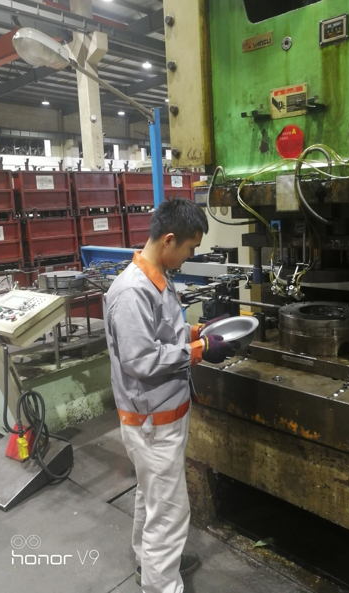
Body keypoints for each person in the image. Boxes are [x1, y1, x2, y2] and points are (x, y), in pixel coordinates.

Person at [104, 197, 235, 592]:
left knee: (153, 498)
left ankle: (150, 565)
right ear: (169, 239)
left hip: (162, 418)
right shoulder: (132, 291)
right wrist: (199, 351)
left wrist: (198, 332)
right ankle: (161, 584)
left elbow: (161, 333)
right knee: (170, 514)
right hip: (151, 424)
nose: (190, 256)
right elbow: (140, 359)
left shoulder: (157, 277)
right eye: (190, 248)